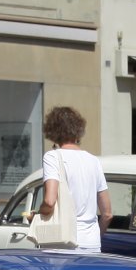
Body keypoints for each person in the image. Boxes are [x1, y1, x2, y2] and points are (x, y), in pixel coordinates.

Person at [35, 106, 110, 253]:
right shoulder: (93, 160)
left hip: (62, 242)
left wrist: (39, 214)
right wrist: (95, 236)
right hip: (92, 244)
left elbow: (49, 201)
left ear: (52, 131)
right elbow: (107, 214)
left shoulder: (53, 157)